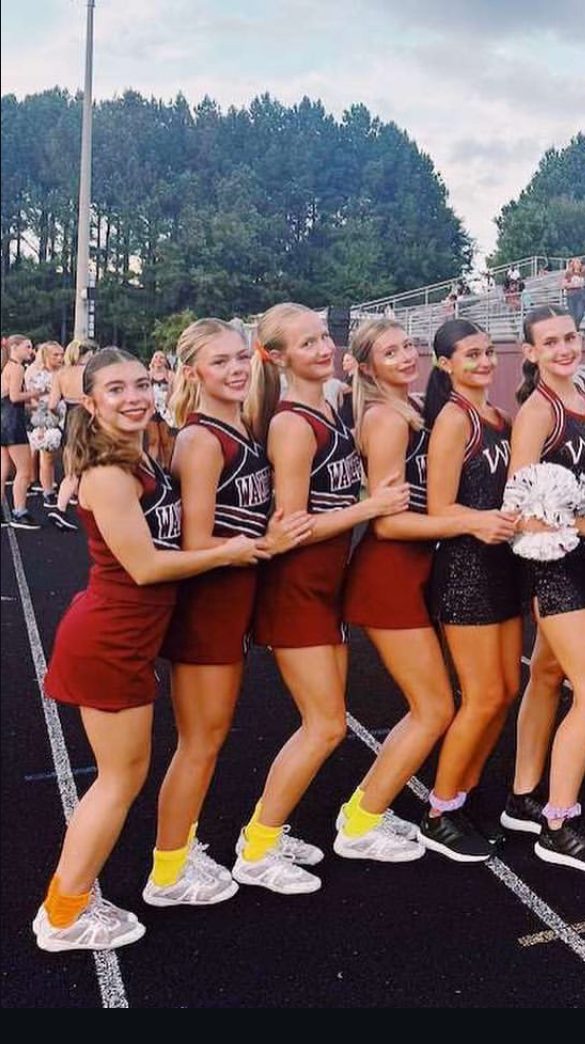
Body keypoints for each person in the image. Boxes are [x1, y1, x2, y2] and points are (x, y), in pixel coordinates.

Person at [32, 348, 264, 952]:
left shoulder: (135, 456)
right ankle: (63, 914)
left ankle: (76, 899)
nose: (133, 396)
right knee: (117, 779)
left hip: (124, 639)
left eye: (140, 384)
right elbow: (144, 567)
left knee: (123, 775)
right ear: (90, 402)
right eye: (115, 389)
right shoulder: (108, 475)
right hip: (108, 639)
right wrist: (228, 551)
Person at [235, 303, 409, 895]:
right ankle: (255, 849)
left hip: (324, 587)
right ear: (278, 357)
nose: (323, 348)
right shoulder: (291, 424)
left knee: (325, 722)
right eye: (306, 343)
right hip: (297, 589)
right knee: (326, 726)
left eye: (324, 337)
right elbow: (292, 526)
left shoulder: (328, 405)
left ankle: (266, 832)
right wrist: (372, 506)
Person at [147, 320, 315, 908]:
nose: (236, 369)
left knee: (208, 737)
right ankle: (167, 872)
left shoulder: (239, 425)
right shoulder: (200, 440)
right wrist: (254, 547)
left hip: (234, 595)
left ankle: (179, 851)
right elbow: (194, 545)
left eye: (240, 358)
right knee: (200, 740)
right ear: (193, 371)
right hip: (209, 603)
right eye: (219, 363)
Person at [340, 318, 480, 863]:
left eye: (406, 347)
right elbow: (388, 523)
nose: (403, 357)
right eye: (388, 352)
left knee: (430, 706)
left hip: (412, 571)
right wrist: (471, 522)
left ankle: (364, 809)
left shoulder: (411, 411)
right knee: (433, 708)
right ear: (368, 367)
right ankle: (360, 822)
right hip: (389, 574)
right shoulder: (387, 420)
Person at [500, 305, 585, 871]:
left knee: (547, 673)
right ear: (530, 353)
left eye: (570, 337)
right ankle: (558, 822)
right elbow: (518, 510)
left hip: (582, 566)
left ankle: (523, 795)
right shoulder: (537, 412)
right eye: (549, 343)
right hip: (552, 566)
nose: (563, 349)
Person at [419, 319, 521, 862]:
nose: (483, 362)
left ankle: (465, 791)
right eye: (470, 355)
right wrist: (478, 522)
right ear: (446, 365)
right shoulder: (455, 420)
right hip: (466, 569)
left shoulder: (498, 417)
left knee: (504, 692)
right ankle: (437, 811)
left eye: (487, 353)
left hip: (503, 564)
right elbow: (439, 509)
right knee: (480, 696)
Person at [45, 338, 94, 530]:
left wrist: (62, 414)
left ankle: (63, 507)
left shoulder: (60, 374)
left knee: (74, 467)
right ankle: (64, 508)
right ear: (85, 355)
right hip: (88, 419)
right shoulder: (90, 373)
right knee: (91, 465)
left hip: (70, 420)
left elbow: (51, 405)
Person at [1, 335, 39, 528]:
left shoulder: (7, 367)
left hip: (4, 420)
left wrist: (29, 407)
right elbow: (15, 397)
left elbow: (8, 397)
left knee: (3, 468)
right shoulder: (16, 368)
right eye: (27, 347)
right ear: (14, 347)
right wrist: (36, 392)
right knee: (24, 471)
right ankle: (19, 512)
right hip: (13, 424)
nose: (30, 351)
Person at [26, 341, 66, 503]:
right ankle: (48, 491)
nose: (60, 358)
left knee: (69, 455)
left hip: (66, 415)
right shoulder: (36, 374)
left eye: (62, 354)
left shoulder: (65, 372)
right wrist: (45, 416)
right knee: (47, 455)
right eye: (55, 355)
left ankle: (71, 490)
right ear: (46, 356)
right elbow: (33, 399)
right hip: (46, 416)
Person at [146, 351, 176, 469]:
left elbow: (176, 392)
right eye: (156, 357)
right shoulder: (148, 375)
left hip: (166, 411)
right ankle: (151, 469)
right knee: (153, 441)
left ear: (165, 361)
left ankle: (167, 468)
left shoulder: (170, 375)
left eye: (161, 357)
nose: (158, 359)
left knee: (166, 442)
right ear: (152, 360)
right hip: (152, 410)